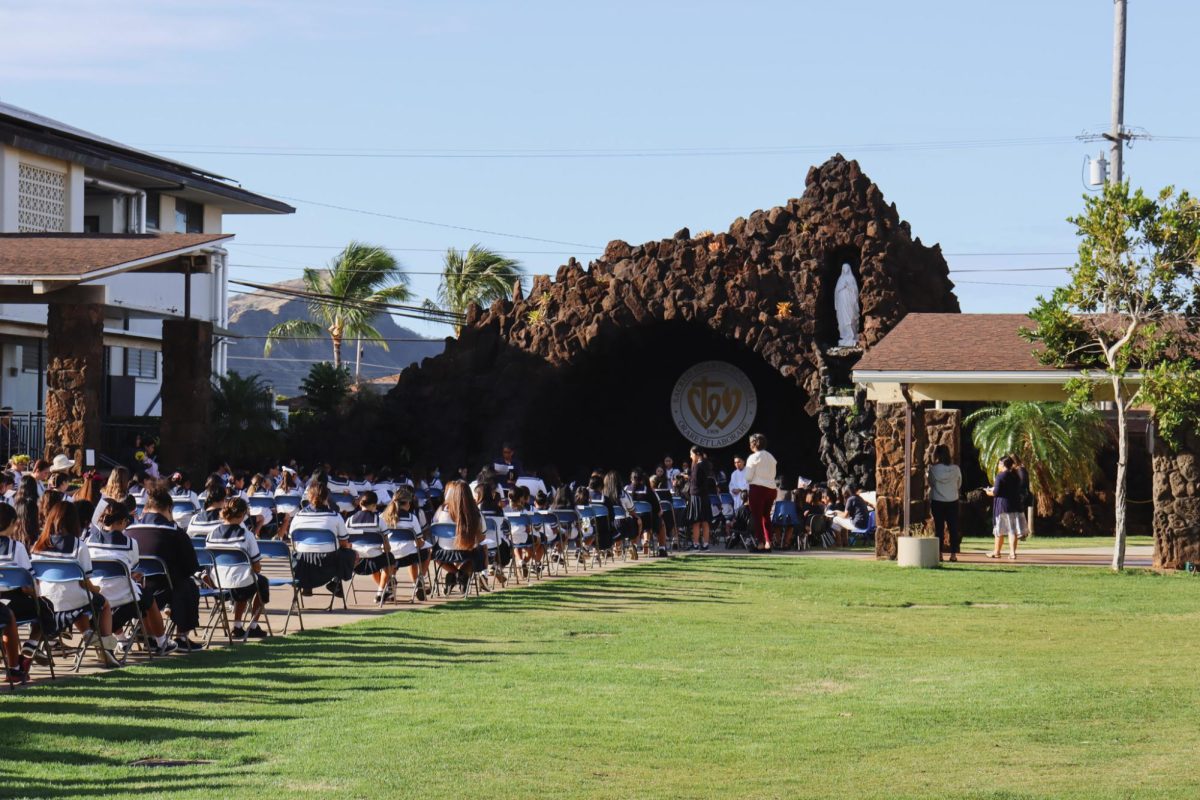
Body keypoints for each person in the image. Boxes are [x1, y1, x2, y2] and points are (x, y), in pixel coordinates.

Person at [31, 502, 121, 667]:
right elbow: (84, 583)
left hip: (45, 599)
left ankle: (88, 633)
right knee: (102, 603)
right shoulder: (79, 545)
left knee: (77, 603)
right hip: (73, 597)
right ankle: (106, 649)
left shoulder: (38, 545)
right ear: (75, 521)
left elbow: (35, 578)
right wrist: (97, 590)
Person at [85, 501, 177, 655]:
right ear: (122, 521)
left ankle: (121, 639)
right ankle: (162, 641)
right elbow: (133, 566)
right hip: (123, 594)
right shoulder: (129, 543)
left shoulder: (88, 541)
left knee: (117, 594)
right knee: (148, 598)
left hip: (95, 594)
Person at [0, 503, 57, 677]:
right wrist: (36, 594)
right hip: (13, 600)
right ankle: (32, 644)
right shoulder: (16, 548)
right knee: (45, 606)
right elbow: (28, 585)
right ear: (11, 523)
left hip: (4, 603)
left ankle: (24, 653)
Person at [205, 497, 269, 640]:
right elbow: (257, 567)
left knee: (244, 578)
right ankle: (252, 626)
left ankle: (238, 626)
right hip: (241, 583)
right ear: (242, 514)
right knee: (260, 581)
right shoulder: (247, 535)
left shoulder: (211, 535)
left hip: (217, 583)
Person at [291, 480, 357, 597]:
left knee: (303, 550)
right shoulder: (335, 516)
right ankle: (335, 581)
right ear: (327, 497)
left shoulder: (298, 516)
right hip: (328, 564)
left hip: (302, 565)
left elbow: (293, 542)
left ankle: (307, 585)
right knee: (350, 553)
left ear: (308, 496)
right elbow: (344, 543)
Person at [381, 486, 431, 601]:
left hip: (388, 556)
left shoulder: (382, 517)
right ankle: (420, 578)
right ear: (408, 503)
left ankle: (386, 585)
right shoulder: (412, 518)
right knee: (427, 551)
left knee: (389, 562)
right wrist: (422, 543)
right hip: (408, 556)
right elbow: (419, 542)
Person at [434, 480, 484, 593]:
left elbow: (434, 529)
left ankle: (454, 574)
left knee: (435, 554)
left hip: (443, 552)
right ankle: (461, 575)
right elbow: (482, 536)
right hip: (467, 550)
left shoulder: (441, 510)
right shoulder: (475, 511)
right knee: (479, 552)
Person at [348, 490, 396, 604]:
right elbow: (387, 546)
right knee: (389, 558)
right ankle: (380, 592)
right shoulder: (379, 521)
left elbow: (346, 542)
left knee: (380, 560)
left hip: (356, 562)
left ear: (360, 504)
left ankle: (384, 591)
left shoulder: (349, 520)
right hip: (375, 560)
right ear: (374, 505)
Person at [927, 444, 963, 562]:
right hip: (953, 500)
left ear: (937, 455)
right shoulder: (956, 469)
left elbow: (931, 483)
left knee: (939, 528)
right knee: (953, 528)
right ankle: (953, 554)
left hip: (938, 500)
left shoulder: (933, 469)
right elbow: (959, 484)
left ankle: (939, 554)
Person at [742, 433, 778, 551]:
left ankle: (760, 543)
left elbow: (748, 477)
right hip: (771, 488)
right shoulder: (771, 457)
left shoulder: (753, 457)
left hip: (758, 489)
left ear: (753, 444)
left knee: (757, 517)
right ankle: (769, 542)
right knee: (766, 516)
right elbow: (774, 474)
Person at [985, 456, 1025, 560]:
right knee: (1013, 530)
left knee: (999, 531)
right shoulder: (1016, 476)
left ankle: (996, 552)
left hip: (1003, 506)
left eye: (999, 464)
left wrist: (988, 492)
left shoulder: (1000, 476)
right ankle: (1012, 553)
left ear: (1003, 465)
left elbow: (996, 492)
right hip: (1014, 505)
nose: (998, 466)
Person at [686, 446, 714, 551]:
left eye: (692, 454)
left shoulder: (697, 466)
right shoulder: (706, 464)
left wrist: (689, 478)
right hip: (705, 496)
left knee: (696, 521)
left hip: (697, 496)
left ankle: (696, 544)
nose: (690, 456)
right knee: (705, 521)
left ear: (697, 454)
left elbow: (696, 482)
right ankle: (706, 544)